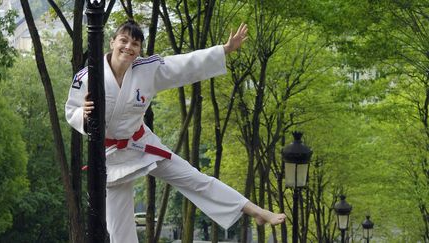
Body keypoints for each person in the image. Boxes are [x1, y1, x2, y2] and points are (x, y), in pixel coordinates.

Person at [65, 20, 285, 243]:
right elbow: (71, 110)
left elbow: (184, 65)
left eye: (135, 43)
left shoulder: (147, 69)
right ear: (112, 42)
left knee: (194, 178)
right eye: (123, 40)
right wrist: (83, 115)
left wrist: (224, 50)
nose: (128, 47)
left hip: (141, 144)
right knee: (119, 229)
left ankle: (254, 210)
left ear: (139, 50)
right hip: (111, 156)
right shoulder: (87, 77)